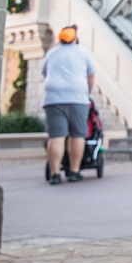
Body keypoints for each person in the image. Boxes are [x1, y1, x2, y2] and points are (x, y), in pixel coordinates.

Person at [41, 24, 95, 184]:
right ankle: (74, 171)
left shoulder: (51, 53)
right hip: (77, 96)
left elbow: (45, 73)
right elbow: (90, 77)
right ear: (75, 38)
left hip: (53, 97)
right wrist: (87, 92)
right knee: (77, 135)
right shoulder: (83, 53)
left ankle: (55, 174)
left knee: (56, 136)